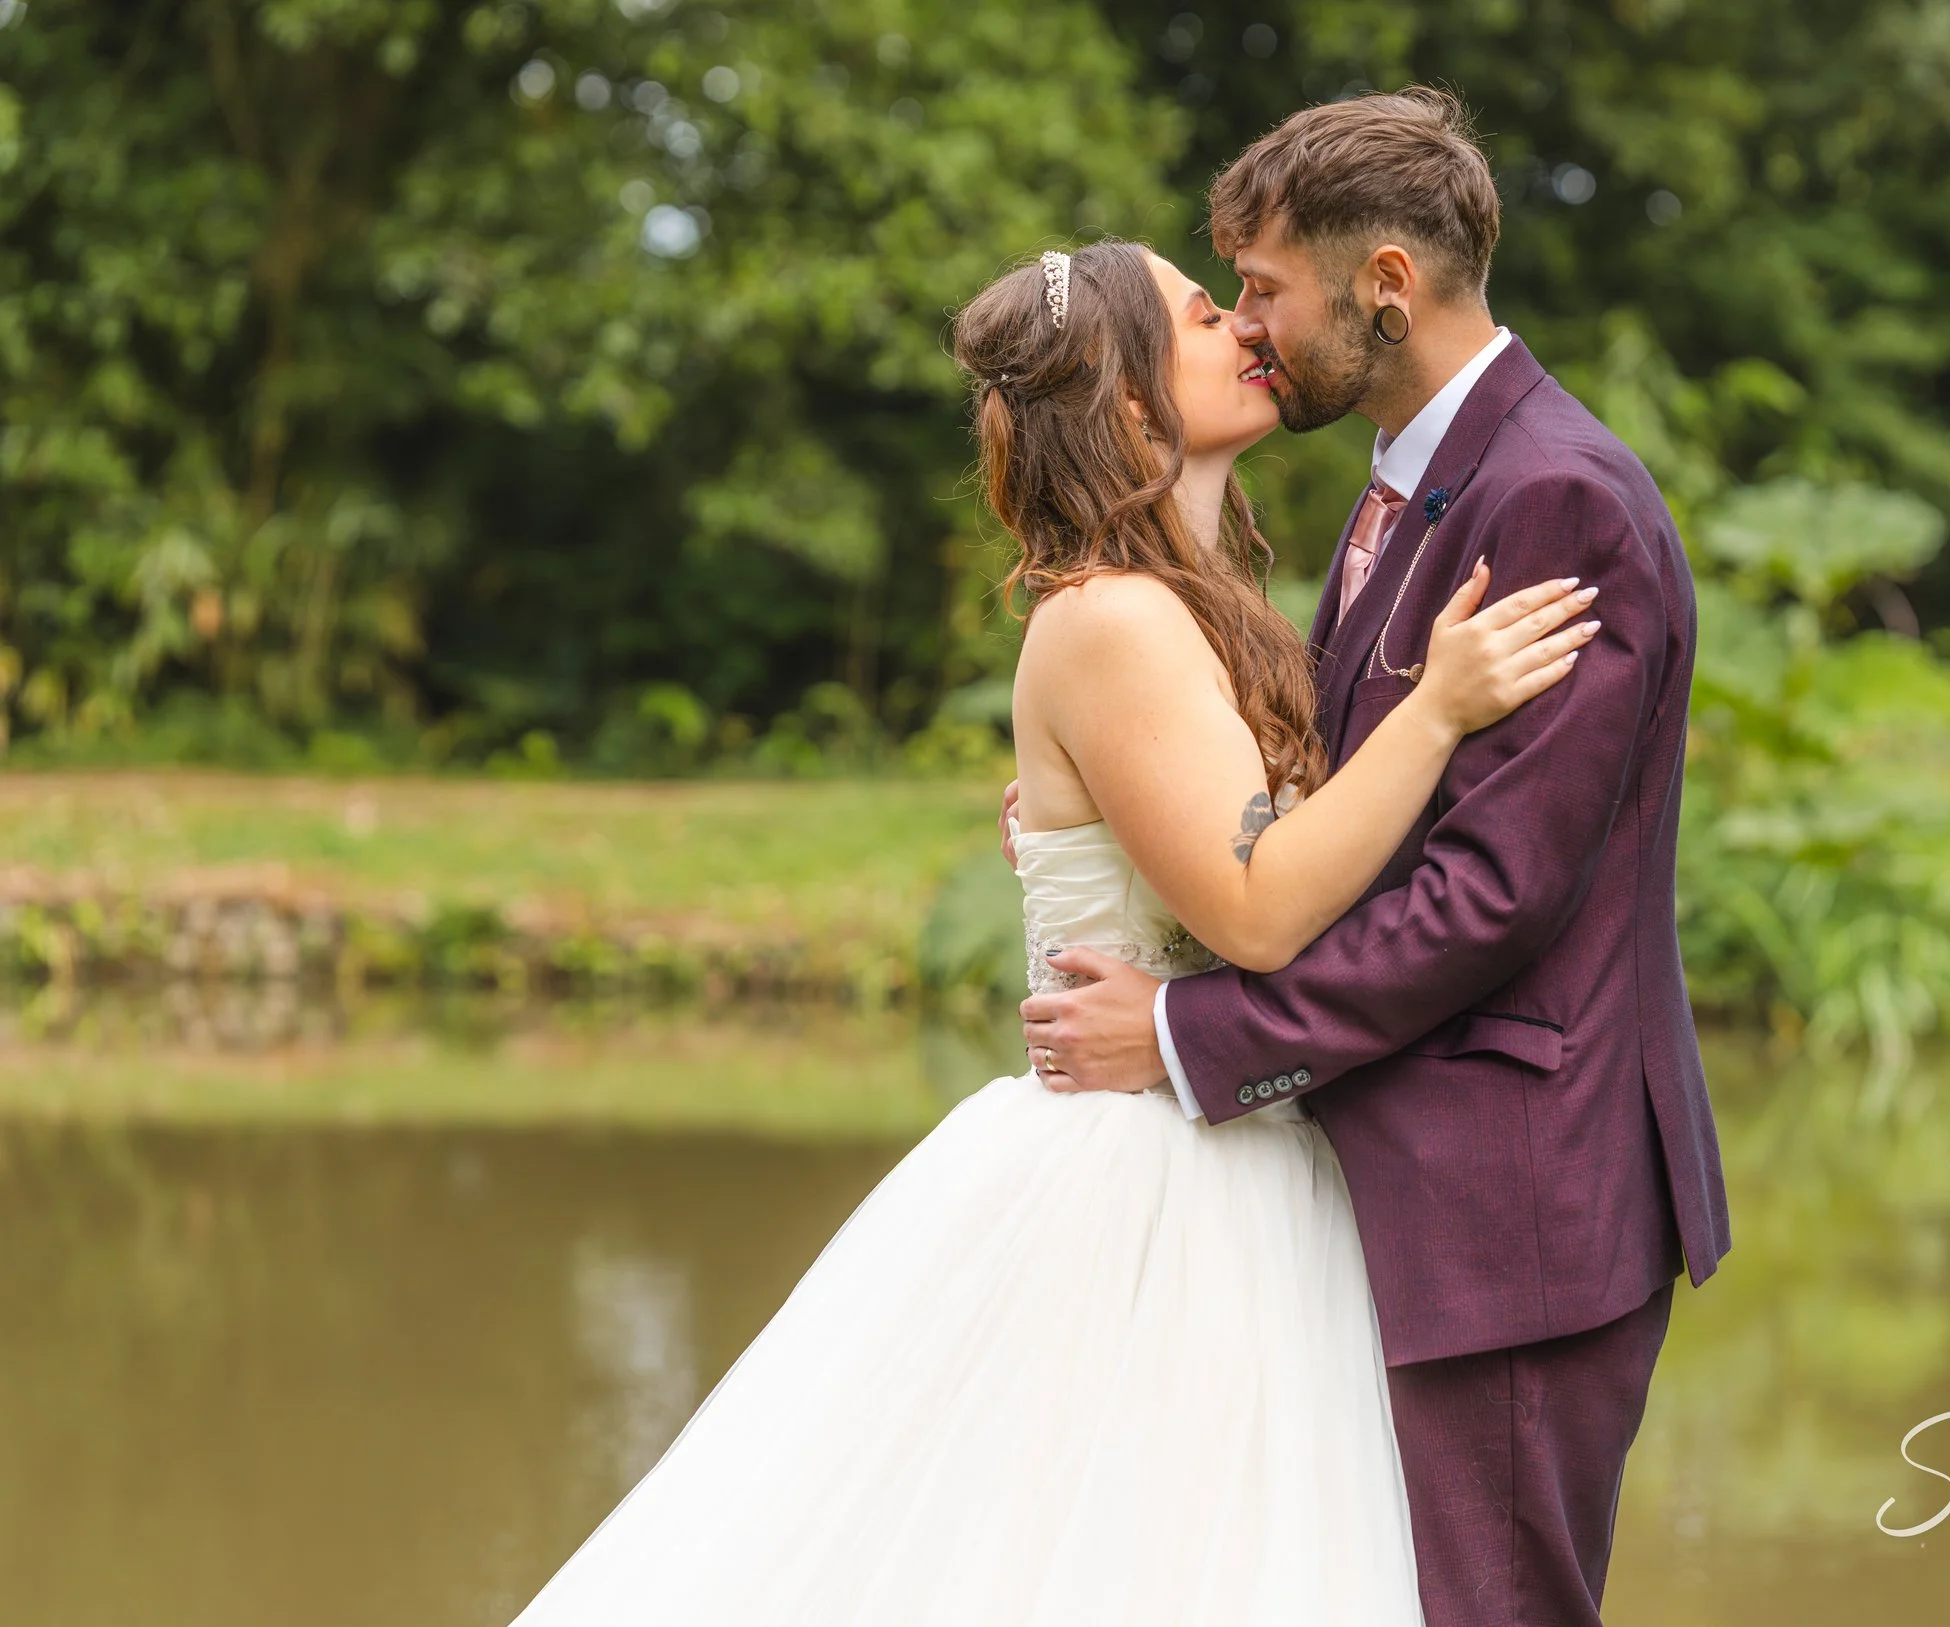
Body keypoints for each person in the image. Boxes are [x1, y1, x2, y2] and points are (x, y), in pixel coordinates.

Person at [500, 234, 1598, 1626]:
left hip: (1240, 1157)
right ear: (1135, 404)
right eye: (1208, 314)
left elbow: (1278, 851)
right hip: (1141, 1185)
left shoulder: (1210, 613)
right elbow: (1261, 906)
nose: (1246, 326)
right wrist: (1439, 710)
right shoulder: (1116, 621)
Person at [1013, 89, 1733, 1627]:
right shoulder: (1403, 485)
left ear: (1386, 285)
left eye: (1263, 289)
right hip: (1387, 1192)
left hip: (1514, 1211)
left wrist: (1189, 1035)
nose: (1254, 331)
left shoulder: (1557, 497)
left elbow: (1490, 893)